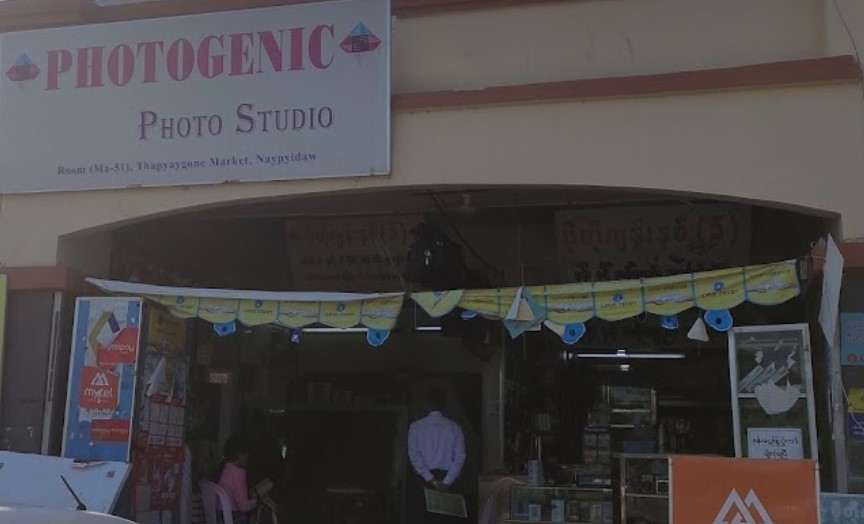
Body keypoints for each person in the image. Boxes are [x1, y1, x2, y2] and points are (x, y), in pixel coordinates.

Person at [408, 388, 467, 523]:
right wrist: (447, 482)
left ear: (426, 405)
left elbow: (414, 456)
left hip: (423, 481)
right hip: (447, 481)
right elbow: (460, 457)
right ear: (444, 405)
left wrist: (432, 480)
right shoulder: (455, 428)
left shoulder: (416, 427)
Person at [217, 436, 258, 524]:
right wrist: (255, 500)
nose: (248, 456)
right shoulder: (239, 474)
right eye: (246, 453)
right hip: (233, 518)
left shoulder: (224, 469)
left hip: (220, 516)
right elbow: (243, 507)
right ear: (239, 455)